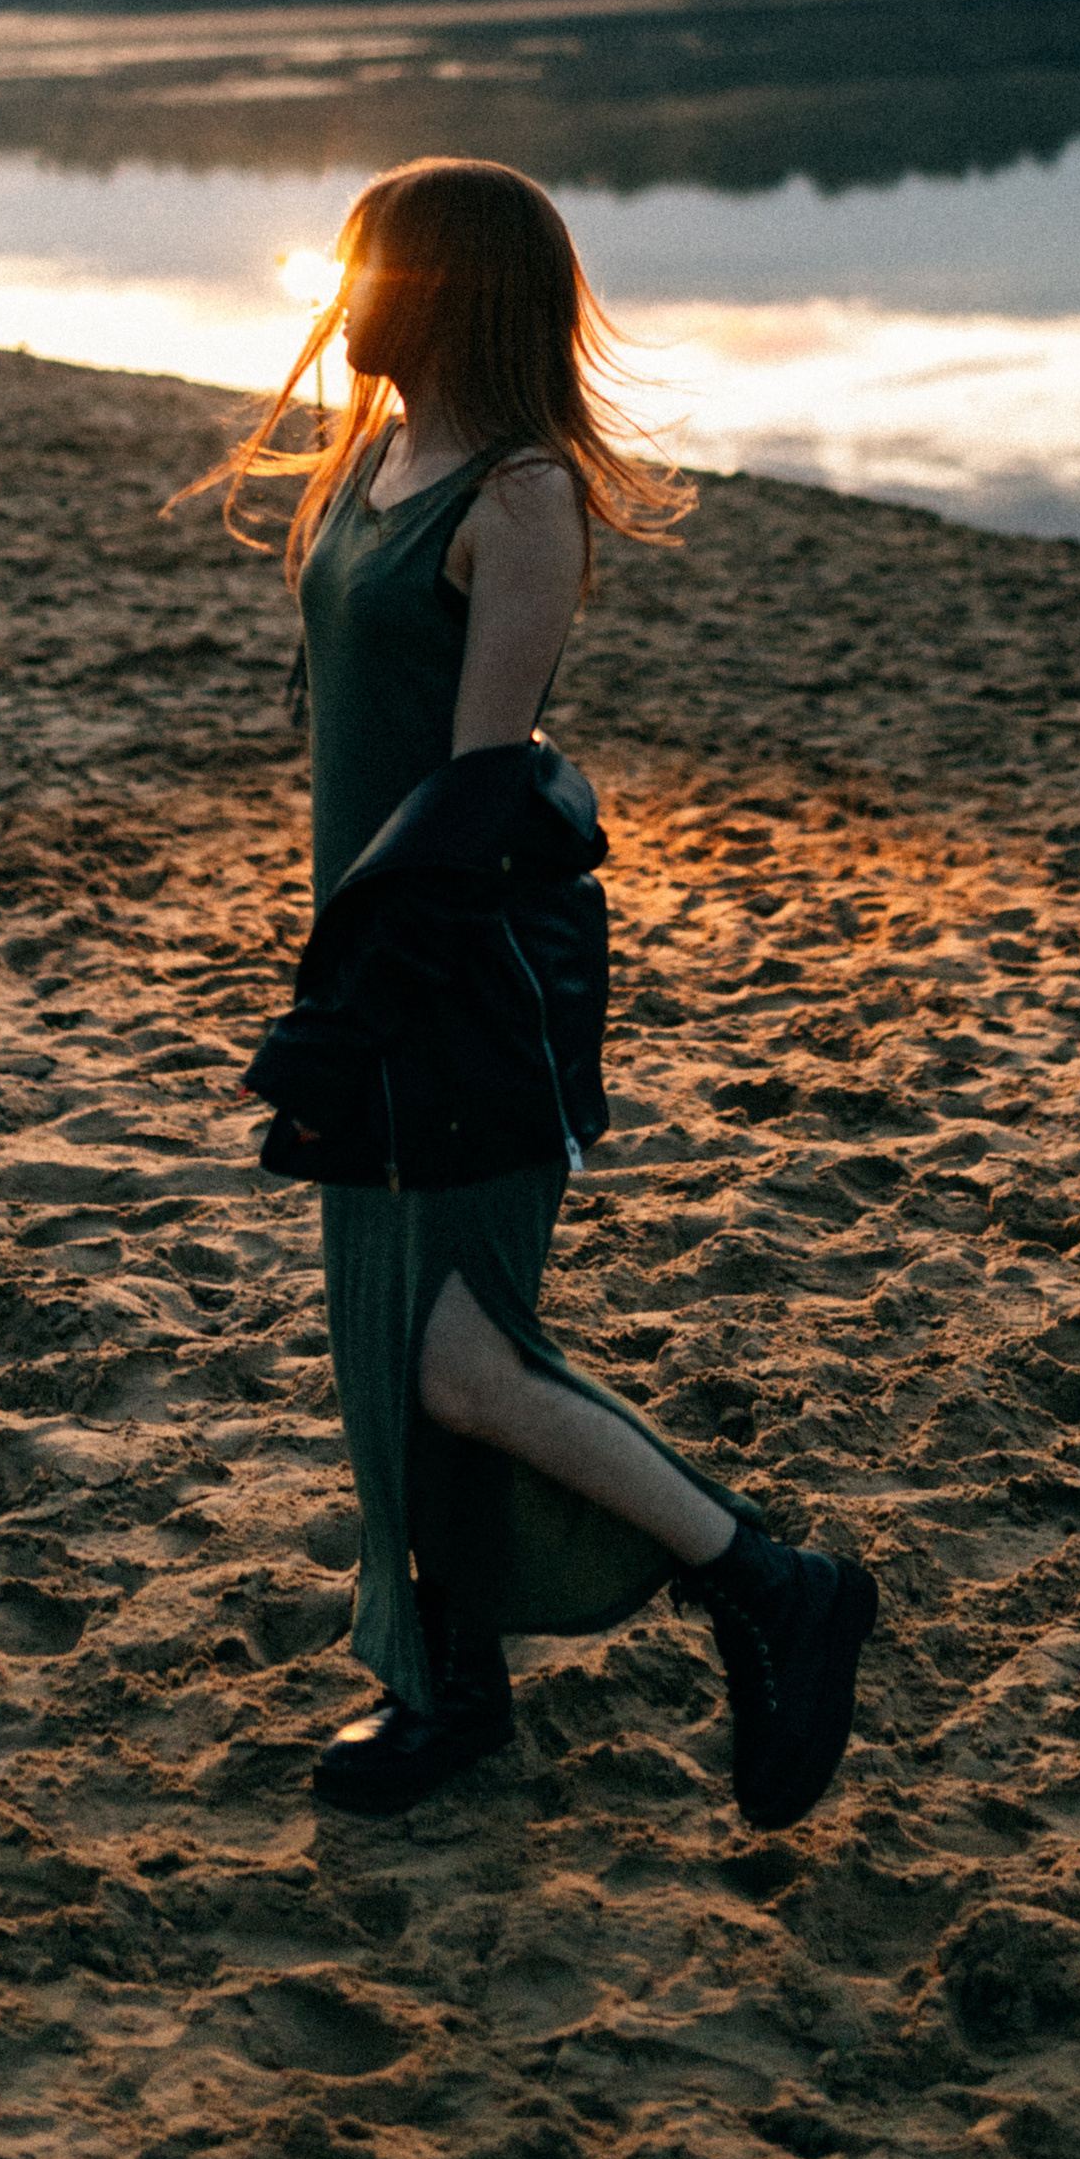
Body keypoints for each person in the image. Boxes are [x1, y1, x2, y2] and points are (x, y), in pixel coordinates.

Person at [191, 155, 876, 1824]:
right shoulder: (372, 459)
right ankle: (447, 1690)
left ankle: (771, 1584)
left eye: (372, 269)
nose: (344, 297)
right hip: (367, 954)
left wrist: (356, 1010)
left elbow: (475, 800)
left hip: (456, 972)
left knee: (462, 1357)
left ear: (451, 292)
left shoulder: (519, 500)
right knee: (385, 1343)